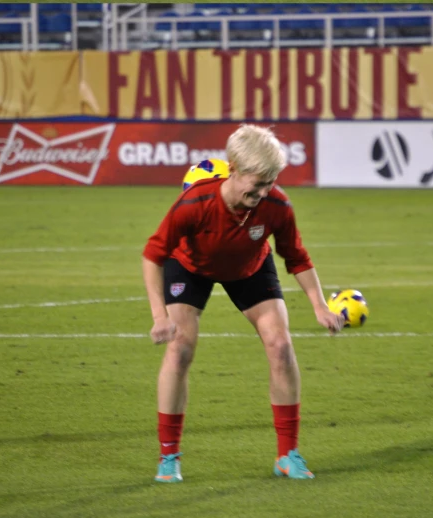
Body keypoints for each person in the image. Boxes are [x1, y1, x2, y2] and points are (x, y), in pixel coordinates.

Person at [142, 124, 344, 483]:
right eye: (257, 183)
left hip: (250, 266)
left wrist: (319, 306)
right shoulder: (195, 203)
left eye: (270, 182)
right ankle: (168, 456)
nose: (264, 191)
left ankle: (287, 455)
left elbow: (296, 256)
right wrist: (159, 315)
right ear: (233, 168)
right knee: (180, 349)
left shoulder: (277, 204)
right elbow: (153, 255)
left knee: (281, 345)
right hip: (190, 267)